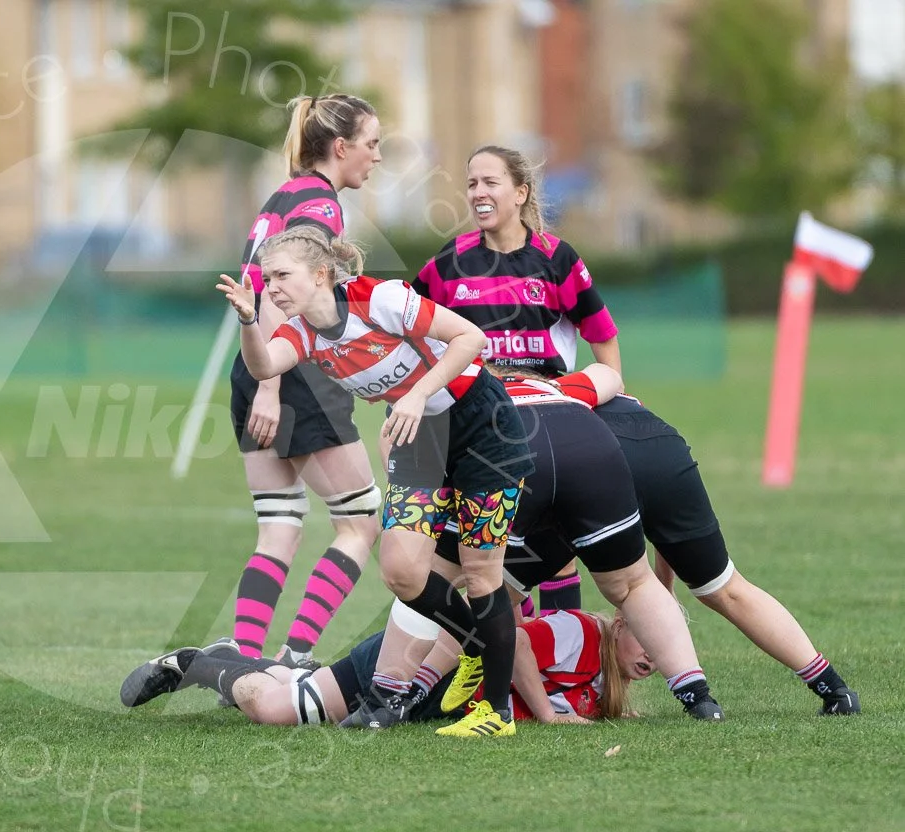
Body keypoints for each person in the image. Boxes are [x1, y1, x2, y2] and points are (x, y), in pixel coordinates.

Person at [218, 226, 532, 738]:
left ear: (320, 274)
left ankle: (496, 712)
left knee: (480, 574)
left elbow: (470, 339)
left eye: (281, 276)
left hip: (479, 423)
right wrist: (250, 319)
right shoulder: (298, 332)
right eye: (266, 277)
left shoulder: (379, 300)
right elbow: (264, 364)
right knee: (402, 570)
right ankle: (474, 639)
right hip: (417, 436)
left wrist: (416, 393)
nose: (270, 285)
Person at [347, 365, 724, 728]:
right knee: (632, 583)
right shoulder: (557, 387)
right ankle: (698, 696)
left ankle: (387, 699)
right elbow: (608, 377)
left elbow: (403, 449)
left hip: (510, 445)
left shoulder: (448, 394)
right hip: (589, 443)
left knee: (434, 575)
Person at [519, 393, 861, 715]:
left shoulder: (499, 393)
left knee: (494, 585)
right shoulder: (585, 374)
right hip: (657, 440)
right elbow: (608, 366)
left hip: (585, 450)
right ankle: (835, 691)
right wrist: (662, 592)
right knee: (726, 588)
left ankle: (700, 702)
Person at [410, 146, 621, 617]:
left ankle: (560, 657)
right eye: (471, 184)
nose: (478, 193)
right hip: (475, 421)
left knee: (555, 548)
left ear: (520, 192)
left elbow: (602, 334)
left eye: (490, 182)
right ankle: (499, 657)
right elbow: (410, 324)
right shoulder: (450, 262)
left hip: (546, 414)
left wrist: (612, 396)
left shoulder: (556, 257)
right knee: (482, 550)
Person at [223, 94, 385, 669]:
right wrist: (272, 385)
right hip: (291, 374)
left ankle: (244, 659)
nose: (377, 157)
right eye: (371, 144)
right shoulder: (320, 205)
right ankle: (295, 657)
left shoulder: (284, 195)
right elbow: (276, 286)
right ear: (340, 148)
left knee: (278, 526)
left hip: (253, 366)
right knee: (361, 522)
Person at [120, 605, 652, 727]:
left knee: (296, 691)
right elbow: (506, 640)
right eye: (648, 637)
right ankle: (193, 663)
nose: (653, 654)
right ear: (622, 624)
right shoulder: (581, 633)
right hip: (412, 660)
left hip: (423, 694)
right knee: (278, 711)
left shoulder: (603, 684)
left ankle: (231, 657)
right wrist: (546, 713)